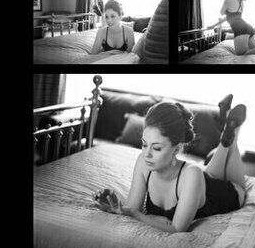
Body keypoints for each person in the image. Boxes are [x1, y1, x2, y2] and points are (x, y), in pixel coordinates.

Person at [92, 98, 246, 232]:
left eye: (157, 148)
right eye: (144, 144)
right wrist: (117, 208)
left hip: (226, 194)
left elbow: (176, 229)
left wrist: (136, 214)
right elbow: (132, 207)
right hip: (199, 183)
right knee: (209, 173)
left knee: (237, 188)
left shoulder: (192, 174)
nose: (147, 154)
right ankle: (227, 131)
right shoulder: (143, 162)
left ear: (177, 149)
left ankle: (230, 135)